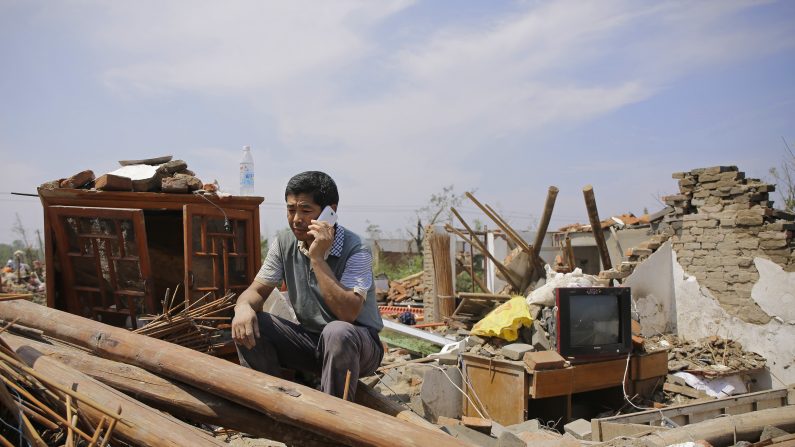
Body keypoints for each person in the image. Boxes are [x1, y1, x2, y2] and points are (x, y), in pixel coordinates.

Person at [231, 171, 383, 399]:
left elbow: (348, 313)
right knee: (252, 322)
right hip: (312, 342)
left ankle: (334, 421)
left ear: (330, 211)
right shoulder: (285, 242)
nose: (296, 219)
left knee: (337, 331)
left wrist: (318, 258)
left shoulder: (356, 248)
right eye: (291, 210)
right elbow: (257, 290)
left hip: (358, 345)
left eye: (305, 210)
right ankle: (271, 406)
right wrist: (242, 308)